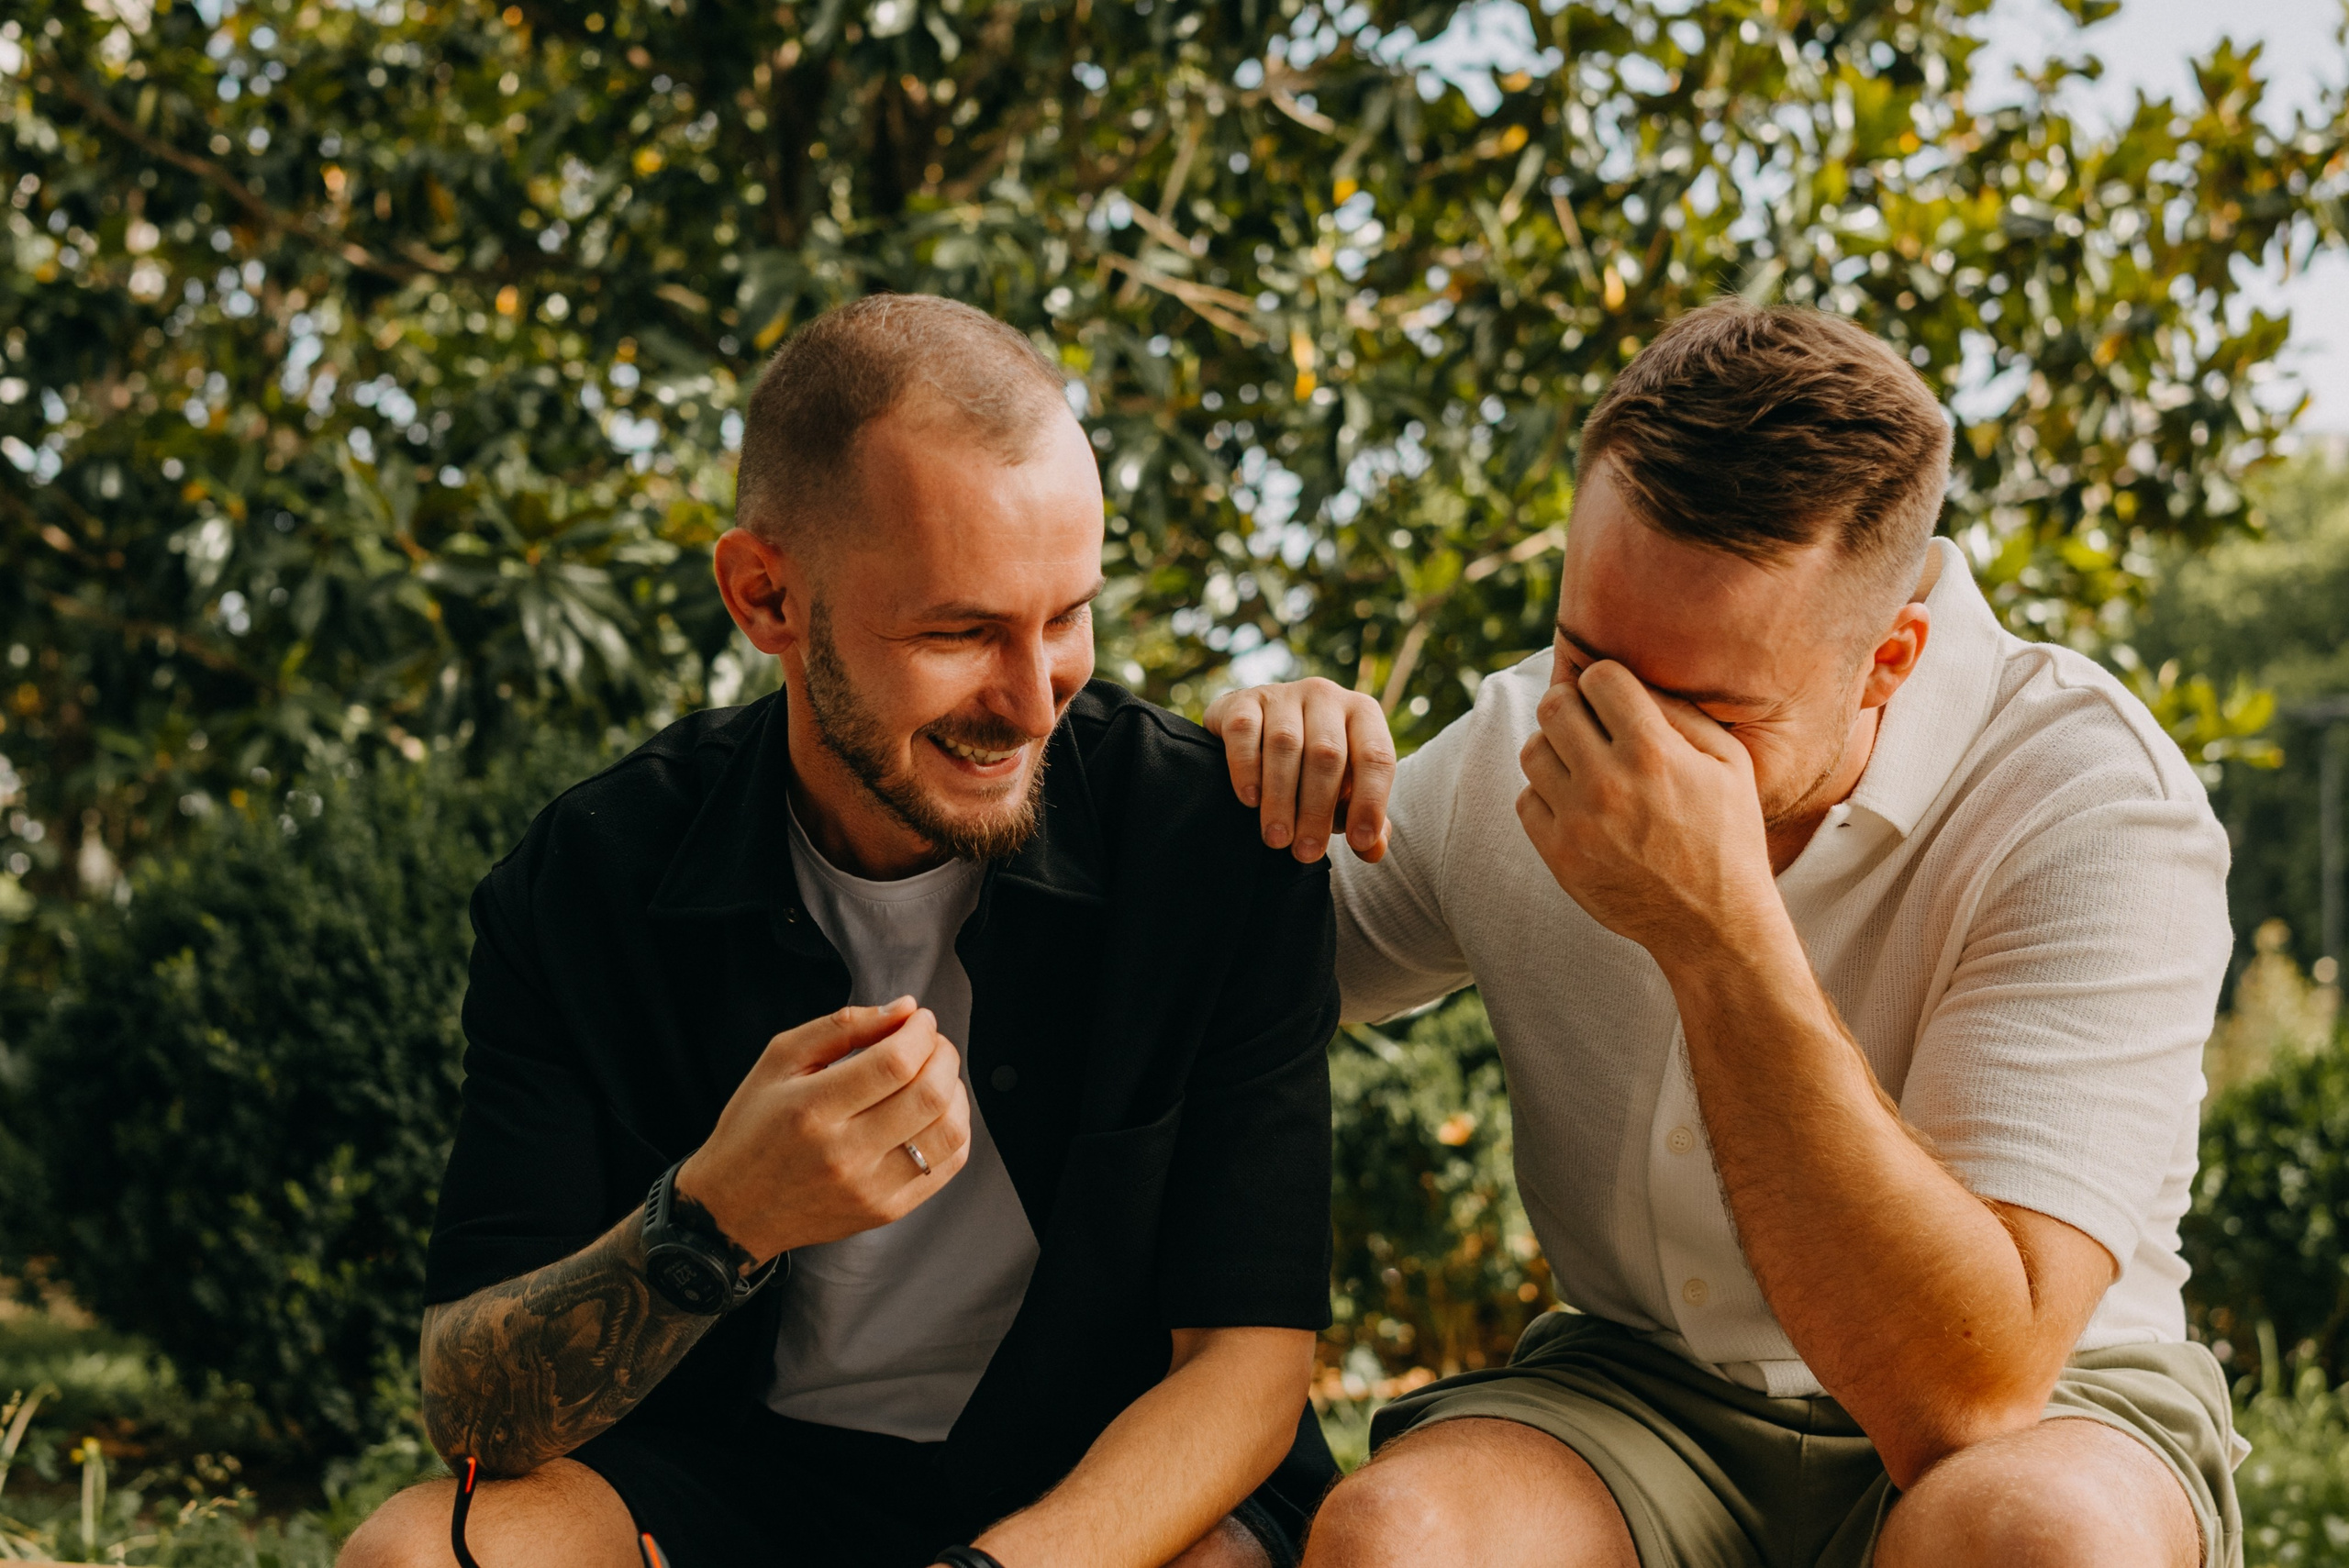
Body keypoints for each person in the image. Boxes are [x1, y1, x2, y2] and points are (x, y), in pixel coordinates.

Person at [1206, 298, 2243, 1568]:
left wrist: (1718, 933)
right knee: (1399, 1539)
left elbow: (1967, 1395)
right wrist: (1260, 780)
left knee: (2034, 1539)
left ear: (1887, 658)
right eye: (1584, 651)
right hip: (1641, 1391)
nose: (1611, 734)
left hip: (2049, 1407)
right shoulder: (1518, 741)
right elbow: (1226, 965)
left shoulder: (2091, 802)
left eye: (1702, 707)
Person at [340, 294, 1341, 1568]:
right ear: (766, 598)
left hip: (1107, 1487)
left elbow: (1246, 1370)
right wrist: (714, 1216)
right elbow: (474, 1416)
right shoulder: (586, 879)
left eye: (1068, 615)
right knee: (412, 1557)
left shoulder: (1209, 844)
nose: (1034, 700)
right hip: (725, 1488)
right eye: (960, 631)